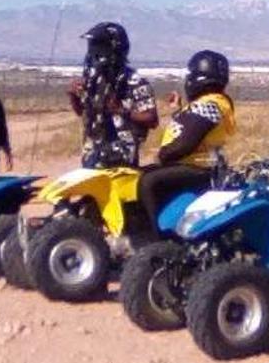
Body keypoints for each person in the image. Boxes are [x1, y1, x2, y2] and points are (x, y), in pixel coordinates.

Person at [137, 50, 236, 225]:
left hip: (200, 167)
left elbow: (186, 142)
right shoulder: (211, 102)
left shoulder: (211, 104)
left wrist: (163, 155)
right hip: (195, 165)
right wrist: (178, 110)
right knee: (138, 174)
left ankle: (156, 234)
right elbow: (190, 126)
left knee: (148, 182)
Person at [68, 22, 158, 167]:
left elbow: (152, 119)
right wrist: (73, 95)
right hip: (92, 154)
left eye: (99, 46)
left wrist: (121, 110)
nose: (94, 52)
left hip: (122, 157)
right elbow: (82, 112)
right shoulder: (93, 80)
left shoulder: (135, 81)